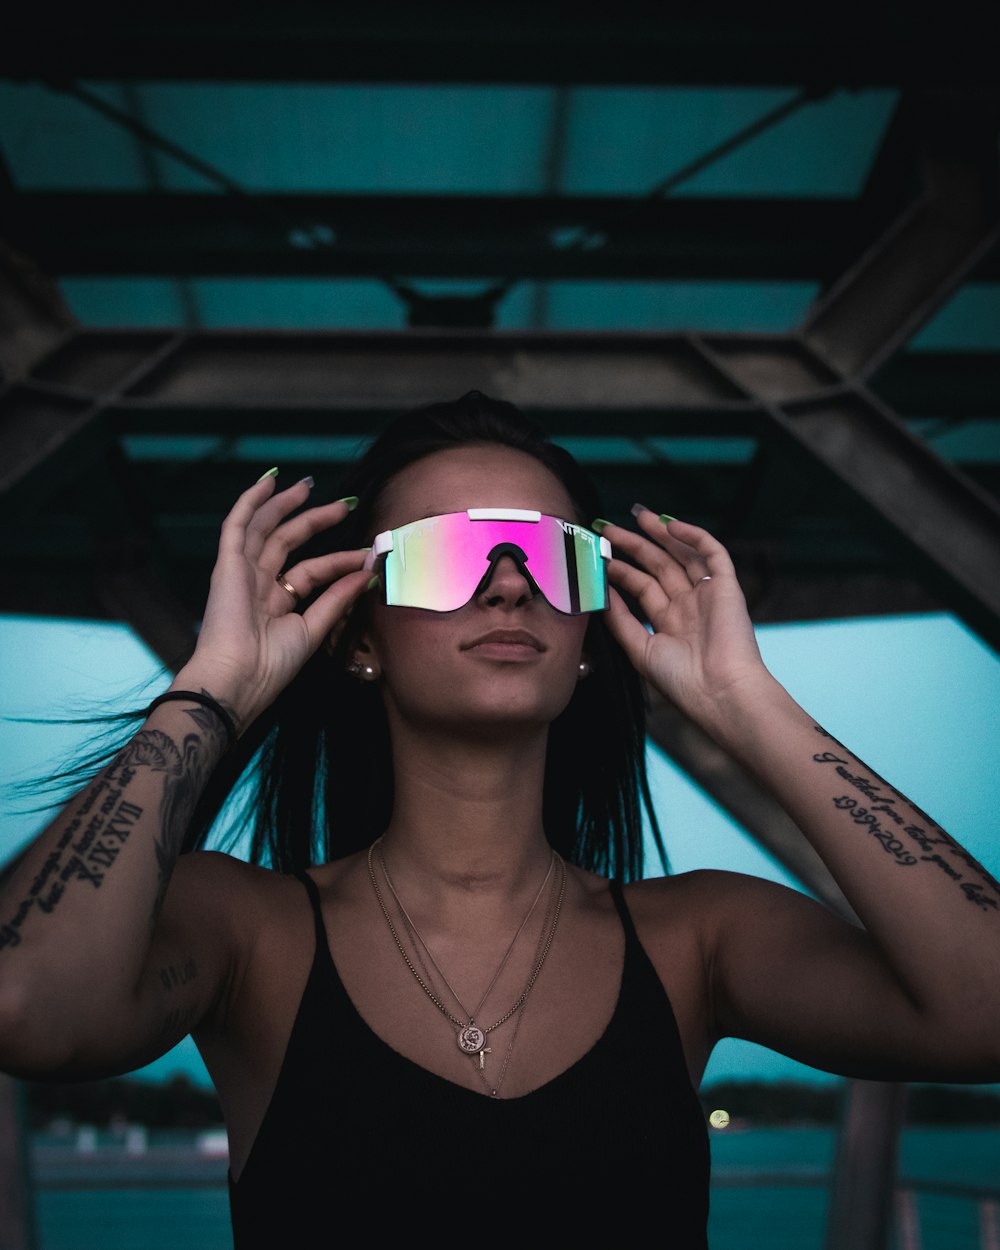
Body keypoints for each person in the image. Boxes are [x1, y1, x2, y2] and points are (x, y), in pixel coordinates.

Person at [1, 392, 997, 1245]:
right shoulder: (248, 932)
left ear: (587, 634)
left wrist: (750, 701)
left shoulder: (696, 938)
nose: (510, 580)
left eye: (553, 554)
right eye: (447, 554)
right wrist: (213, 688)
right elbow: (26, 1004)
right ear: (360, 632)